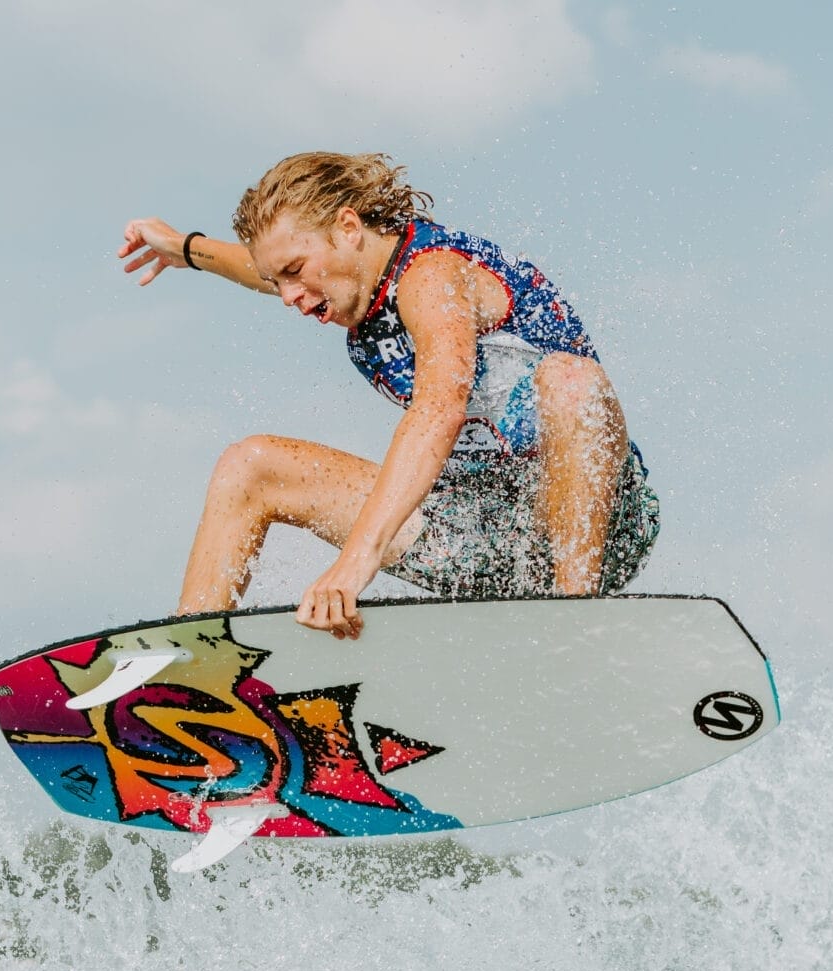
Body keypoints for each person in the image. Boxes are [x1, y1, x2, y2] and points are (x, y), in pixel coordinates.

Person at [119, 152, 658, 639]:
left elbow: (439, 410)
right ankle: (192, 670)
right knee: (249, 466)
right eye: (275, 281)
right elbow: (263, 265)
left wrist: (354, 567)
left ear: (348, 228)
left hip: (594, 528)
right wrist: (186, 249)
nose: (287, 297)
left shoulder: (433, 276)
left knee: (571, 381)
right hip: (473, 533)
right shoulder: (345, 277)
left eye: (293, 274)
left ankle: (574, 626)